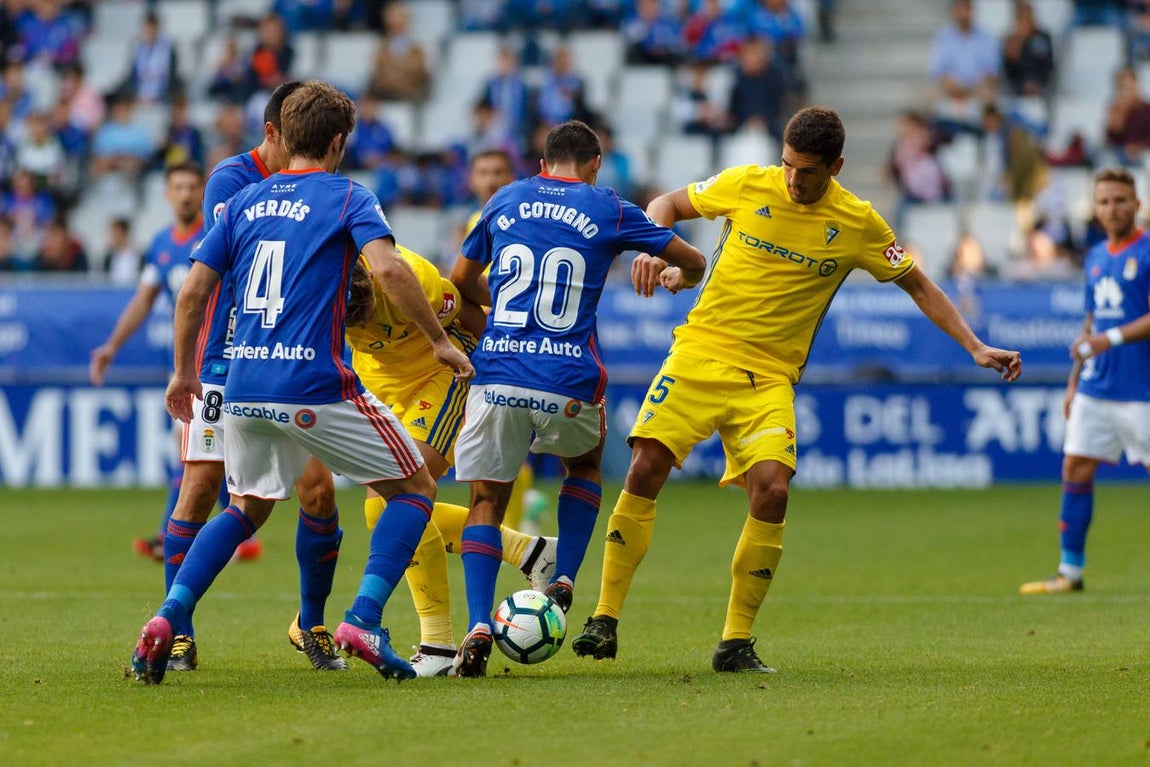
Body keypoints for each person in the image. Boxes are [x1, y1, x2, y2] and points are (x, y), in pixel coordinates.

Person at [571, 106, 1023, 673]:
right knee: (645, 466)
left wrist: (975, 346)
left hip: (769, 376)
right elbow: (668, 203)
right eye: (786, 165)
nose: (791, 179)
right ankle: (604, 619)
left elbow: (918, 285)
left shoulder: (858, 222)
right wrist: (653, 248)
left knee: (773, 490)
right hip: (700, 352)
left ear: (834, 166)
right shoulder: (746, 182)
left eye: (805, 171)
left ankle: (735, 642)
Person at [129, 80, 474, 685]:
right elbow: (389, 269)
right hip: (312, 384)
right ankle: (363, 616)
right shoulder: (347, 196)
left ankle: (168, 616)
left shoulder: (244, 202)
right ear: (338, 141)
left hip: (240, 384)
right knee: (415, 486)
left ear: (283, 136)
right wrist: (441, 341)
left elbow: (193, 293)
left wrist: (184, 372)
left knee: (245, 508)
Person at [447, 119, 708, 677]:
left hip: (496, 373)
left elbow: (460, 279)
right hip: (567, 377)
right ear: (593, 164)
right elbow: (695, 260)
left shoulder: (504, 199)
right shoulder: (607, 206)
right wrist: (667, 272)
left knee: (486, 501)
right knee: (584, 467)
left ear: (543, 163)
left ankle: (474, 623)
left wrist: (500, 314)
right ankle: (563, 576)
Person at [157, 81, 348, 675]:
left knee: (317, 491)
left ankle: (311, 624)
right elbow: (231, 270)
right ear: (274, 131)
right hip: (223, 363)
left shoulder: (311, 181)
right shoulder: (231, 181)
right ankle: (178, 631)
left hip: (288, 365)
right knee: (200, 486)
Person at [345, 249, 557, 677]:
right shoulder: (319, 286)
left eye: (365, 311)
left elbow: (468, 314)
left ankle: (437, 644)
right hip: (379, 383)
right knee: (378, 508)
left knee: (402, 496)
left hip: (440, 373)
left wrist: (509, 367)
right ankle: (530, 552)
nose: (361, 321)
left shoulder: (412, 278)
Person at [1020, 167, 1150, 595]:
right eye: (1104, 201)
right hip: (1096, 387)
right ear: (1094, 209)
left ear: (1137, 205)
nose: (1112, 209)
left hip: (1141, 389)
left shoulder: (1147, 251)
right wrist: (1073, 382)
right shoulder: (1095, 256)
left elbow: (1111, 329)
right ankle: (1069, 571)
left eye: (1119, 200)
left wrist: (1107, 339)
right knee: (1075, 467)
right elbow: (1090, 322)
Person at [89, 163, 206, 566]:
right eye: (179, 187)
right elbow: (143, 300)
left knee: (193, 448)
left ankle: (170, 535)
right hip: (186, 360)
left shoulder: (213, 235)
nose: (187, 194)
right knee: (197, 450)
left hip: (218, 357)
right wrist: (111, 347)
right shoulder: (161, 243)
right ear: (167, 194)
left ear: (202, 190)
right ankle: (222, 534)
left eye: (193, 186)